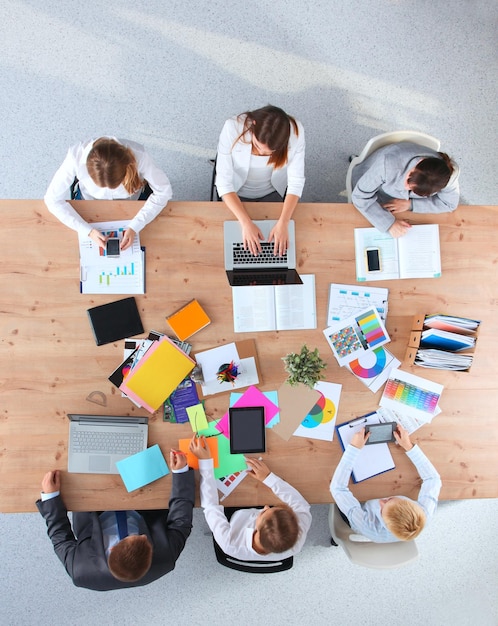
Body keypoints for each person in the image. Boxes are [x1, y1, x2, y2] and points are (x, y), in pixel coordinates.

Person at [36, 450, 195, 591]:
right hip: (143, 498)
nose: (145, 536)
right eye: (144, 539)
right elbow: (181, 522)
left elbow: (59, 537)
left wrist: (51, 496)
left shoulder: (80, 569)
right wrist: (181, 472)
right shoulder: (166, 558)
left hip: (93, 505)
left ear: (112, 549)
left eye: (138, 537)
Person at [189, 434, 311, 560]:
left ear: (256, 528)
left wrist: (205, 462)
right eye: (271, 509)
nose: (265, 506)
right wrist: (268, 478)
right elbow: (301, 505)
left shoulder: (229, 543)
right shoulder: (297, 533)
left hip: (235, 515)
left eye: (264, 512)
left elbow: (210, 506)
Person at [44, 137, 172, 250]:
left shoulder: (140, 156)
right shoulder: (75, 156)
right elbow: (51, 199)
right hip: (88, 203)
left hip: (132, 203)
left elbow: (164, 191)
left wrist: (136, 225)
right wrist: (87, 231)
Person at [215, 105, 305, 256]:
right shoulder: (232, 127)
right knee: (229, 249)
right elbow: (223, 183)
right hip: (236, 193)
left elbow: (296, 182)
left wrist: (284, 223)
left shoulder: (296, 132)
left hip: (273, 193)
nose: (262, 153)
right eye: (257, 146)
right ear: (253, 125)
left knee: (280, 249)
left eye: (269, 152)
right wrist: (245, 223)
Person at [330, 425, 441, 542]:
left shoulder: (367, 526)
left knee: (339, 504)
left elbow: (337, 488)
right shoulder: (423, 514)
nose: (380, 501)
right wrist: (408, 446)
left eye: (382, 509)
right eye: (390, 499)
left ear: (386, 524)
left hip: (359, 518)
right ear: (411, 504)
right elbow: (433, 478)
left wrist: (353, 449)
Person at [351, 141, 459, 237]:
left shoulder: (447, 176)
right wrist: (389, 224)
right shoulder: (388, 165)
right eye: (408, 180)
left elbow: (449, 204)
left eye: (413, 190)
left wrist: (410, 204)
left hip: (395, 203)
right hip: (373, 187)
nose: (406, 187)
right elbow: (360, 196)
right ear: (419, 162)